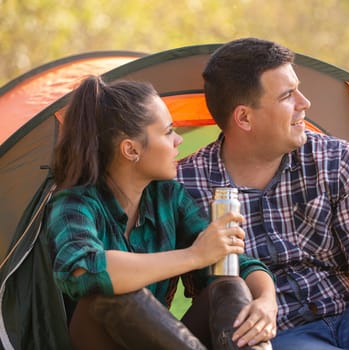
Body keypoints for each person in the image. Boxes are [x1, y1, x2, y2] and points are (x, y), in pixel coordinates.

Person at [176, 37, 349, 349]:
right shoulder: (187, 187)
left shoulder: (336, 159)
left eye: (298, 89)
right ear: (244, 118)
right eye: (287, 96)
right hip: (280, 333)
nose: (305, 103)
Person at [45, 76, 277, 350]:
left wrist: (266, 300)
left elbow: (235, 264)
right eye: (168, 132)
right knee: (110, 292)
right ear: (131, 149)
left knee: (227, 286)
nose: (178, 140)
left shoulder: (167, 197)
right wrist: (193, 255)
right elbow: (84, 269)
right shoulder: (74, 204)